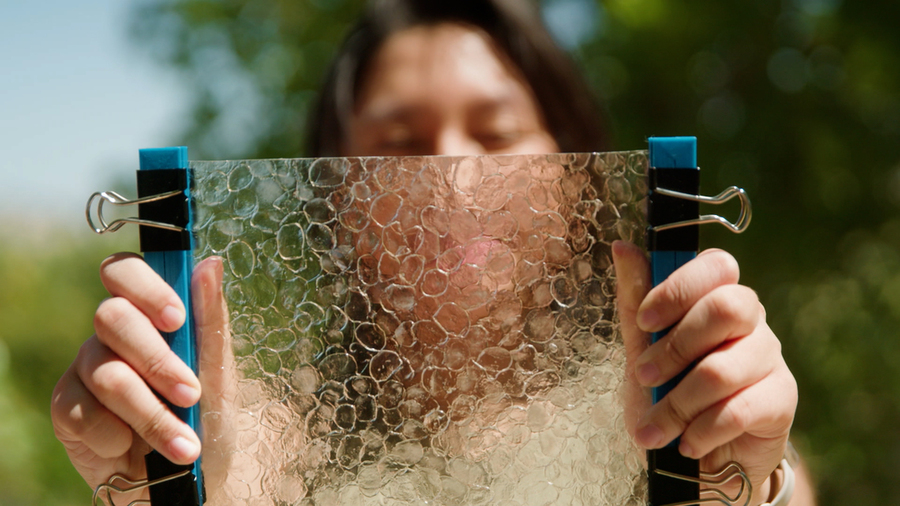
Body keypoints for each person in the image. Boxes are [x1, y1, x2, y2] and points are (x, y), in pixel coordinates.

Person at [51, 0, 815, 504]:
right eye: (398, 142)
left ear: (577, 179)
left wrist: (728, 480)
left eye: (496, 131)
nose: (452, 177)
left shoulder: (698, 419)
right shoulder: (257, 447)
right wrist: (162, 483)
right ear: (330, 199)